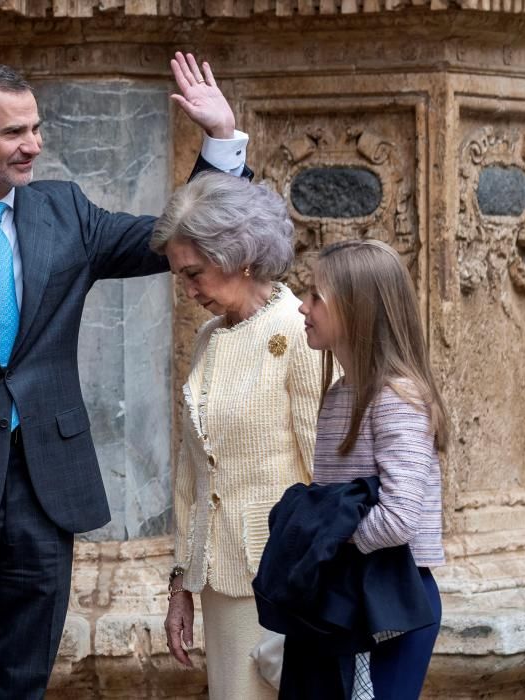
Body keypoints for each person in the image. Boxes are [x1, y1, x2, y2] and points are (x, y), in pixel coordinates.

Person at [0, 53, 250, 700]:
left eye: (35, 128)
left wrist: (221, 142)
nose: (32, 144)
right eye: (13, 132)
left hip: (46, 492)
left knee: (21, 682)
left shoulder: (66, 214)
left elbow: (173, 237)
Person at [152, 172, 322, 699]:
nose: (188, 291)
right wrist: (180, 583)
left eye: (195, 273)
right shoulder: (209, 336)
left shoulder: (301, 331)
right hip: (220, 579)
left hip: (286, 578)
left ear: (239, 256)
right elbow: (190, 470)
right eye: (181, 277)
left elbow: (328, 473)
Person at [298, 238, 448, 698]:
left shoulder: (396, 398)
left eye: (316, 297)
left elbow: (399, 518)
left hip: (393, 602)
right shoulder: (341, 393)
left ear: (357, 309)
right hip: (351, 593)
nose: (303, 307)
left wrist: (326, 536)